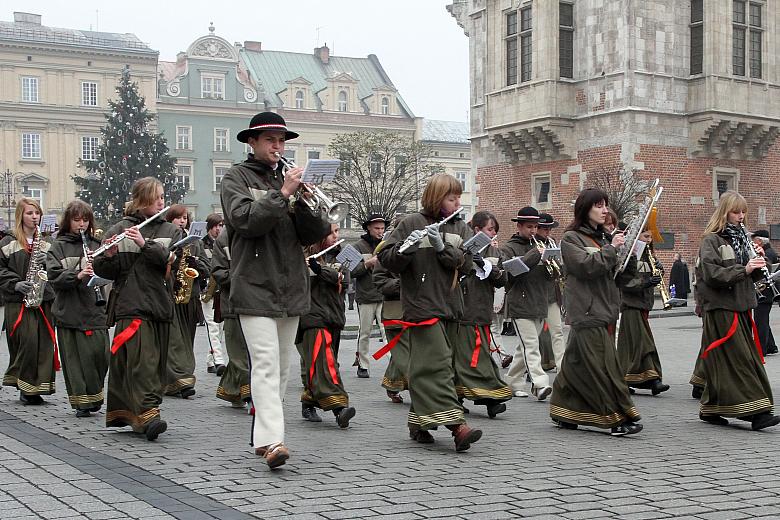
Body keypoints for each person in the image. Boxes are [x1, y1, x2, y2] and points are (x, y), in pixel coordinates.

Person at [221, 112, 331, 469]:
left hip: (291, 286)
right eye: (270, 140)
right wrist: (282, 193)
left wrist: (305, 202)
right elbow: (245, 221)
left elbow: (312, 235)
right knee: (265, 364)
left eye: (281, 141)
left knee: (282, 366)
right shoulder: (235, 178)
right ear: (251, 142)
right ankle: (273, 440)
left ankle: (266, 437)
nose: (277, 147)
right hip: (253, 284)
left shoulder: (289, 179)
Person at [377, 173, 483, 451]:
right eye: (452, 197)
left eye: (459, 196)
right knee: (435, 366)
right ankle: (457, 425)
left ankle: (419, 422)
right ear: (437, 198)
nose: (458, 201)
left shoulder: (462, 228)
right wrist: (406, 248)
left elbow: (468, 265)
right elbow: (386, 261)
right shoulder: (411, 222)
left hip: (451, 306)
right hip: (422, 305)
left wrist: (441, 248)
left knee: (436, 366)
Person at [93, 177, 181, 441]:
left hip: (160, 304)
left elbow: (171, 264)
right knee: (141, 363)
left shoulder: (171, 231)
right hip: (131, 305)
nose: (161, 202)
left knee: (155, 366)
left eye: (163, 196)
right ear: (141, 200)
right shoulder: (118, 229)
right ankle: (147, 414)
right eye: (156, 197)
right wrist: (106, 258)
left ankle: (140, 415)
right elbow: (106, 272)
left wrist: (145, 244)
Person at [549, 188, 643, 436]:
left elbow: (620, 276)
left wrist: (629, 253)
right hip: (587, 310)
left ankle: (564, 409)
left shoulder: (604, 237)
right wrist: (612, 249)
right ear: (585, 209)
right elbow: (585, 267)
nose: (604, 210)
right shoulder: (571, 238)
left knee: (576, 363)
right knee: (602, 366)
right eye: (598, 206)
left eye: (605, 205)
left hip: (605, 308)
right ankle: (613, 417)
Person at [695, 191, 779, 430]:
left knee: (726, 360)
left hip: (742, 306)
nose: (740, 217)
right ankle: (756, 412)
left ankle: (711, 408)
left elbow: (752, 277)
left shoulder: (742, 239)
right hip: (722, 308)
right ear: (725, 212)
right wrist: (745, 269)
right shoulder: (712, 240)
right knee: (740, 360)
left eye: (743, 212)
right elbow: (712, 275)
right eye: (735, 212)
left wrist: (763, 264)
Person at [46, 200, 110, 417]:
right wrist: (78, 274)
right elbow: (53, 277)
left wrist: (105, 261)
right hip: (70, 311)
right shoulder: (58, 246)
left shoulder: (95, 244)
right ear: (68, 221)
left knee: (99, 356)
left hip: (94, 308)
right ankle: (82, 402)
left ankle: (95, 395)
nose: (81, 224)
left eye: (85, 220)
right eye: (76, 220)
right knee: (76, 361)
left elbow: (110, 273)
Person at [297, 224, 356, 427]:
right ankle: (339, 407)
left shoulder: (343, 255)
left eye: (337, 231)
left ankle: (309, 401)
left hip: (334, 316)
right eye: (332, 232)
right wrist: (305, 267)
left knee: (326, 362)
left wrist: (319, 269)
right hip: (311, 316)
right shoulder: (301, 252)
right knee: (324, 362)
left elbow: (344, 282)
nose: (335, 236)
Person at [454, 211, 512, 418]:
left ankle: (488, 397)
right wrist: (469, 261)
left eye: (495, 230)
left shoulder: (495, 252)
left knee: (478, 356)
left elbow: (502, 280)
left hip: (482, 310)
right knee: (463, 358)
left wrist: (486, 265)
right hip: (462, 311)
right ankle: (472, 397)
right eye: (490, 229)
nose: (493, 234)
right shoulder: (462, 246)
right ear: (477, 230)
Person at [0, 198, 57, 405]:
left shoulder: (48, 242)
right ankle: (24, 386)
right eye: (29, 213)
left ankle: (37, 387)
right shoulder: (8, 242)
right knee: (27, 343)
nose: (34, 217)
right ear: (20, 216)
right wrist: (15, 284)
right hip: (19, 301)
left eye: (37, 213)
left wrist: (49, 261)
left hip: (43, 300)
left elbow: (58, 270)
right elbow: (1, 269)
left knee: (43, 344)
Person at [500, 206, 553, 400]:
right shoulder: (508, 248)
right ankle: (540, 384)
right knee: (531, 346)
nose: (533, 230)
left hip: (539, 301)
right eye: (529, 226)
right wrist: (533, 256)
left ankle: (512, 381)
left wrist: (552, 263)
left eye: (535, 226)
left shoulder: (542, 244)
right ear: (519, 226)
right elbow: (509, 276)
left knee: (524, 348)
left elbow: (550, 277)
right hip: (519, 303)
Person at [616, 226, 670, 396]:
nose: (649, 240)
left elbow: (649, 275)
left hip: (643, 305)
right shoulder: (630, 256)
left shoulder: (648, 256)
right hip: (631, 306)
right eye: (645, 236)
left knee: (630, 347)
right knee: (643, 344)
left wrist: (658, 271)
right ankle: (653, 380)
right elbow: (624, 282)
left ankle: (626, 378)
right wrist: (645, 283)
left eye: (650, 237)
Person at [164, 205, 209, 399]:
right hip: (170, 295)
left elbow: (207, 267)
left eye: (184, 217)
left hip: (190, 295)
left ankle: (180, 377)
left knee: (187, 340)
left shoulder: (195, 242)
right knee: (175, 341)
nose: (182, 221)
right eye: (177, 218)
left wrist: (195, 265)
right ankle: (180, 379)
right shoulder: (168, 240)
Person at [211, 228, 251, 410]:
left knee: (249, 354)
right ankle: (251, 394)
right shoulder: (224, 238)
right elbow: (218, 272)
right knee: (238, 353)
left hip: (257, 304)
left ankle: (231, 391)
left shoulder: (259, 232)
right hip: (233, 303)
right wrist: (241, 275)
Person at [351, 214, 388, 378]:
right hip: (366, 296)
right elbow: (352, 271)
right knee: (365, 332)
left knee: (386, 331)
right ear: (368, 228)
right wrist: (367, 263)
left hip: (384, 294)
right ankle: (363, 364)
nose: (380, 231)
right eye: (377, 228)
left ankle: (393, 363)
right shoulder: (356, 246)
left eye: (382, 228)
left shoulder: (387, 244)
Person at [536, 213, 566, 371]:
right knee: (534, 336)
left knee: (557, 331)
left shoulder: (552, 242)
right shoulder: (532, 243)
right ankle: (533, 367)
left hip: (552, 293)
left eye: (549, 228)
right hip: (537, 294)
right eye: (544, 228)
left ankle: (562, 367)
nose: (547, 231)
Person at [202, 213, 227, 375]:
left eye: (220, 226)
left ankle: (210, 360)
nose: (218, 229)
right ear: (209, 227)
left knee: (219, 326)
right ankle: (219, 360)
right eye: (215, 226)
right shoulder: (201, 243)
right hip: (206, 289)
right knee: (212, 326)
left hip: (221, 289)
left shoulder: (224, 243)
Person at [751, 230, 778, 356]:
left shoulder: (768, 253)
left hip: (764, 292)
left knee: (760, 321)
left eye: (754, 240)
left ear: (760, 241)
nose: (752, 243)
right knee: (763, 320)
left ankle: (761, 349)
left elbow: (764, 273)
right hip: (765, 291)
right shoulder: (769, 251)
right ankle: (771, 346)